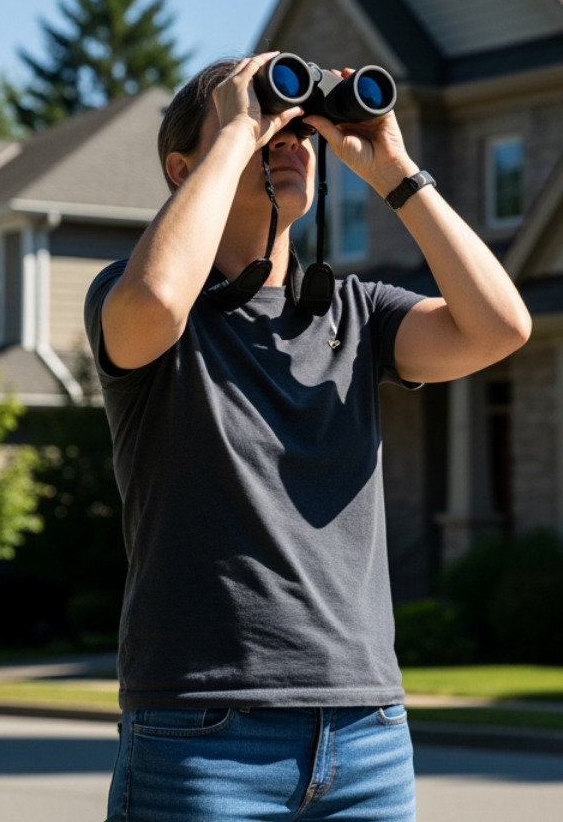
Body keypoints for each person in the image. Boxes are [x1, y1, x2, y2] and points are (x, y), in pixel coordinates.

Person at [85, 51, 531, 821]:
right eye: (267, 124)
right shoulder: (140, 302)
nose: (288, 140)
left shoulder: (358, 314)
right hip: (201, 733)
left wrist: (394, 169)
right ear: (181, 167)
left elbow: (500, 328)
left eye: (300, 132)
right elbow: (155, 299)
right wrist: (239, 131)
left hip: (366, 737)